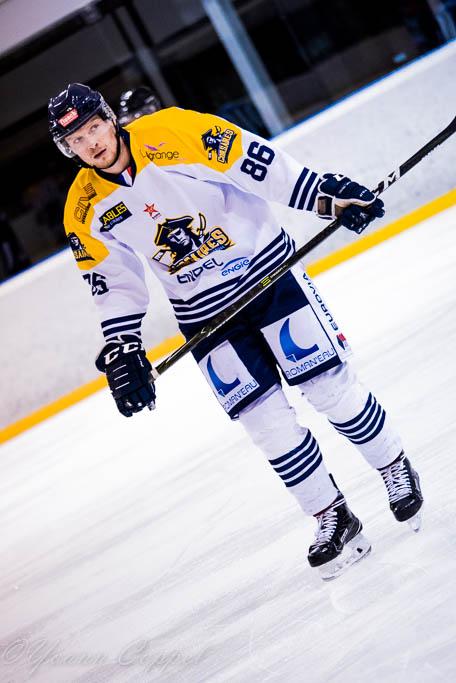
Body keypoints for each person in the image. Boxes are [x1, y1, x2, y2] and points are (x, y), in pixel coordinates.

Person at [48, 83, 423, 580]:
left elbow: (255, 163)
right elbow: (113, 282)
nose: (91, 143)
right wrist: (123, 345)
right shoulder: (83, 207)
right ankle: (333, 516)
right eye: (76, 139)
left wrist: (324, 197)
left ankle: (394, 465)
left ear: (108, 119)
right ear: (67, 148)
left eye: (94, 128)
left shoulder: (173, 129)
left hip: (268, 277)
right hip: (204, 317)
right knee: (265, 424)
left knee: (328, 388)